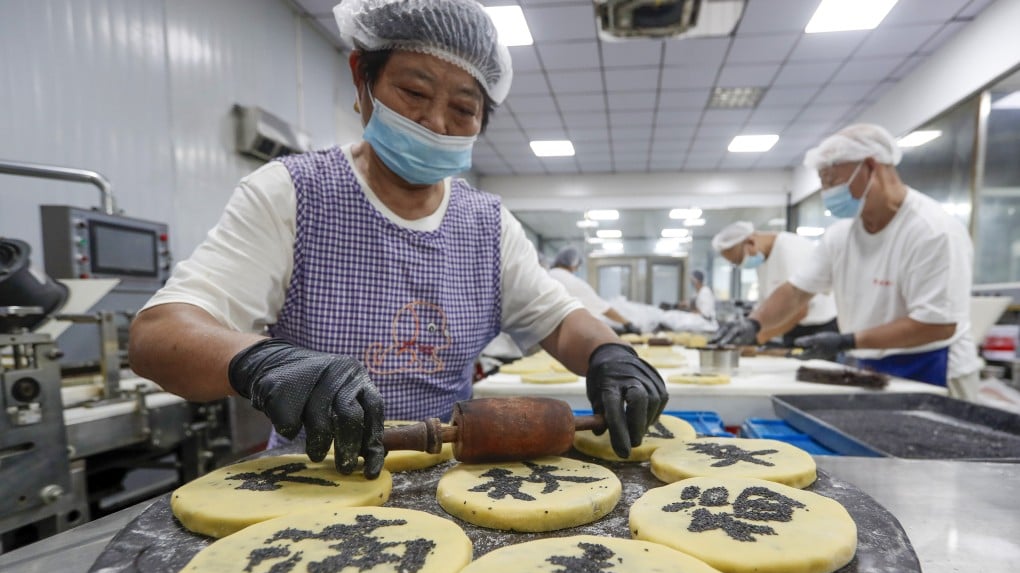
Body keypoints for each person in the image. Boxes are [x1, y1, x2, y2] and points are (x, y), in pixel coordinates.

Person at [128, 0, 667, 479]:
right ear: (362, 78)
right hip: (313, 478)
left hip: (449, 476)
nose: (434, 122)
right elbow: (159, 336)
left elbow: (561, 321)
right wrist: (262, 363)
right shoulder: (293, 195)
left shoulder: (487, 226)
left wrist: (609, 354)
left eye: (462, 110)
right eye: (413, 92)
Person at [713, 123, 981, 399]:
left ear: (871, 166)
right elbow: (795, 292)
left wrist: (847, 341)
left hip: (935, 368)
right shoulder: (841, 236)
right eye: (823, 183)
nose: (828, 192)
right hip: (871, 365)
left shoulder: (931, 231)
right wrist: (754, 324)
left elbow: (938, 324)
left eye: (833, 180)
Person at [711, 221, 839, 346]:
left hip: (820, 329)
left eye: (739, 259)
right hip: (792, 328)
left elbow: (800, 308)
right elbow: (765, 305)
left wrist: (758, 338)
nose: (741, 265)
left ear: (751, 242)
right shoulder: (762, 259)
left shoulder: (790, 249)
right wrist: (745, 328)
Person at [547, 246, 638, 332]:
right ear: (573, 264)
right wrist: (627, 323)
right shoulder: (573, 282)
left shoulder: (545, 276)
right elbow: (603, 308)